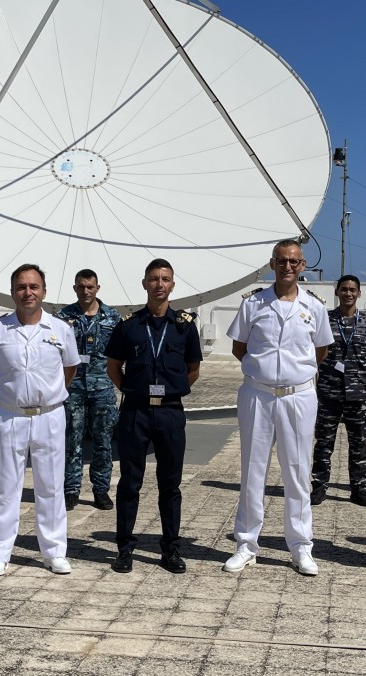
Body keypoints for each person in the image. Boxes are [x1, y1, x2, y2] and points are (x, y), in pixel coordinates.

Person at [224, 240, 332, 576]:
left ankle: (301, 547)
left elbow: (320, 351)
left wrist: (291, 375)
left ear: (303, 267)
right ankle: (246, 545)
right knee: (253, 471)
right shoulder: (254, 303)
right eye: (282, 261)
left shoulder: (314, 307)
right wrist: (265, 371)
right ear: (272, 264)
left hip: (298, 397)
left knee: (298, 473)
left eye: (294, 262)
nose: (288, 267)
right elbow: (239, 347)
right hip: (257, 394)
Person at [0, 264, 80, 577]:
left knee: (50, 487)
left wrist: (46, 396)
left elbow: (69, 369)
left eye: (34, 287)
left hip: (50, 416)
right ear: (13, 292)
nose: (28, 292)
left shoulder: (60, 329)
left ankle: (54, 552)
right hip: (11, 417)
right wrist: (15, 397)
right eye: (21, 287)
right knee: (6, 487)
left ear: (43, 292)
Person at [105, 259, 202, 574]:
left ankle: (170, 550)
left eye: (165, 279)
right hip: (136, 411)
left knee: (170, 485)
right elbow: (113, 367)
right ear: (144, 284)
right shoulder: (129, 325)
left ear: (172, 285)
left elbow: (193, 370)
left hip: (171, 412)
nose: (159, 284)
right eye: (154, 279)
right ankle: (124, 550)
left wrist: (170, 391)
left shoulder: (184, 326)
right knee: (130, 482)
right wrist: (135, 392)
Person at [56, 269, 122, 511]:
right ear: (75, 288)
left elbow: (121, 352)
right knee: (72, 440)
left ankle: (101, 489)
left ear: (97, 288)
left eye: (90, 287)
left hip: (103, 387)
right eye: (81, 287)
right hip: (73, 387)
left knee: (103, 441)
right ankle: (71, 489)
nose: (86, 291)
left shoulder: (112, 317)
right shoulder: (63, 317)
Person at [310, 275, 366, 507]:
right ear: (337, 292)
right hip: (329, 394)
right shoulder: (324, 320)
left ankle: (359, 489)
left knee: (358, 444)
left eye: (353, 290)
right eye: (344, 289)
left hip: (357, 396)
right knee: (324, 444)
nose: (348, 294)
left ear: (359, 293)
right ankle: (319, 487)